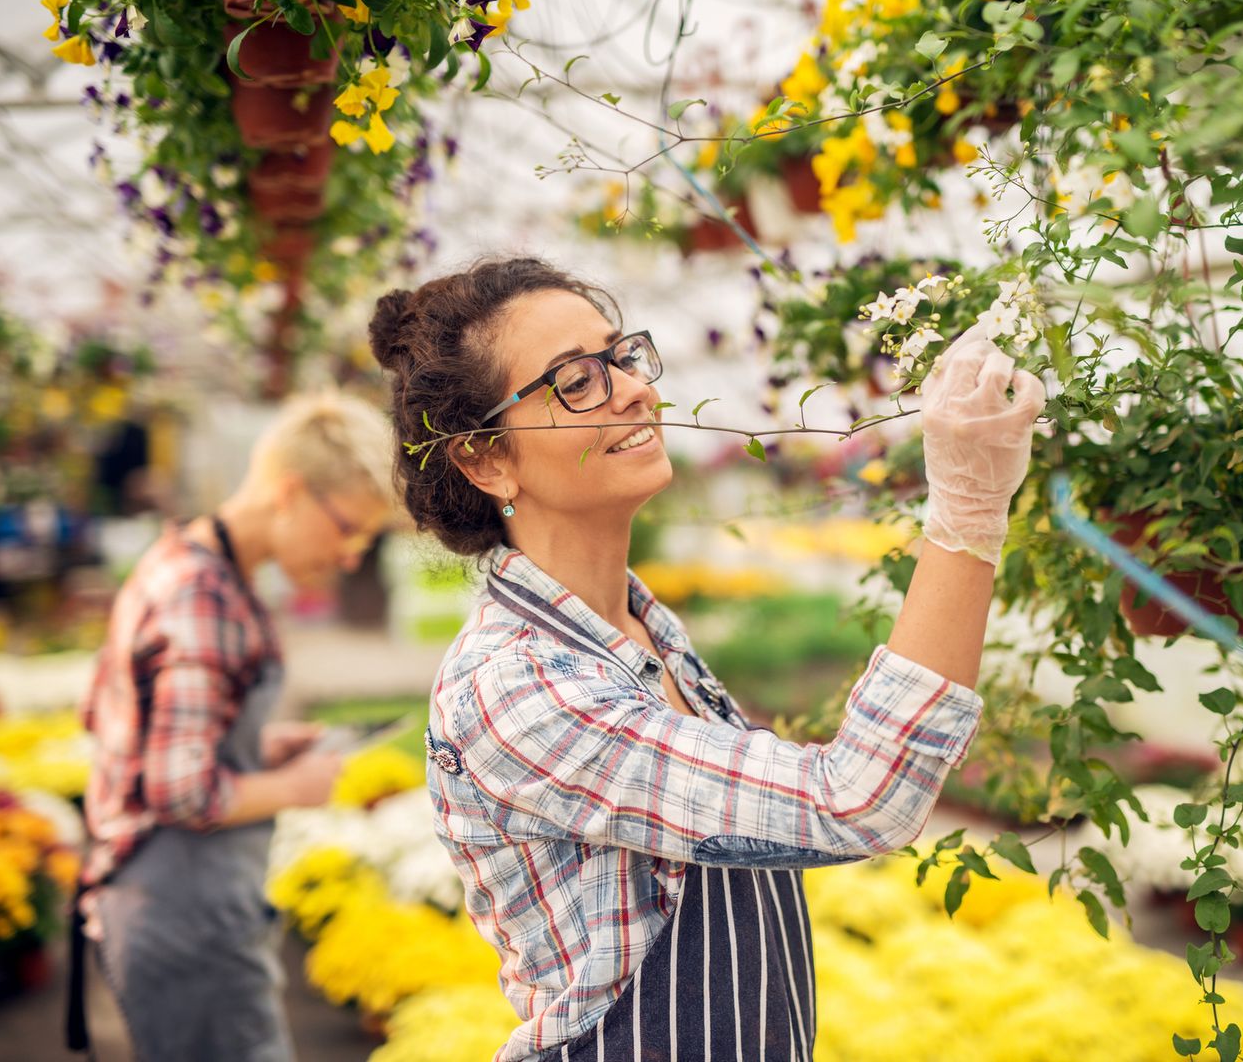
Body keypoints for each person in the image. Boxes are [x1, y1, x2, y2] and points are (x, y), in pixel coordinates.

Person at [369, 256, 1043, 1062]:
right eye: (573, 381)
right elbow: (856, 800)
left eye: (620, 357)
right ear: (485, 459)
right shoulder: (517, 684)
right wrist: (966, 511)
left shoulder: (639, 628)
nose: (631, 388)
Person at [68, 391, 397, 1060]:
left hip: (165, 904)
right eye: (347, 529)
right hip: (183, 916)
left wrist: (256, 749)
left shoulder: (190, 562)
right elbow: (178, 793)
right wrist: (296, 787)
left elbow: (132, 725)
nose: (350, 556)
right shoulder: (203, 597)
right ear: (291, 492)